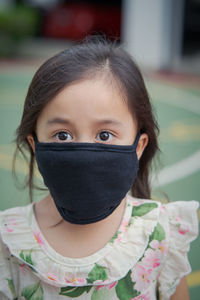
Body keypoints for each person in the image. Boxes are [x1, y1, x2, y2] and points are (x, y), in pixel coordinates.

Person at [0, 37, 199, 300]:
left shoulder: (161, 235)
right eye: (62, 135)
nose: (83, 154)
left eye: (105, 135)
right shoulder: (8, 241)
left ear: (138, 146)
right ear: (34, 144)